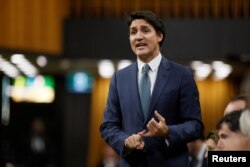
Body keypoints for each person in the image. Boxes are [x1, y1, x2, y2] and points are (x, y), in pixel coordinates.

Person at [100, 10, 204, 167]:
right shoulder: (119, 78)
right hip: (132, 162)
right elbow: (108, 126)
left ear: (160, 36)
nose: (138, 36)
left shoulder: (182, 75)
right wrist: (125, 141)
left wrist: (167, 131)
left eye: (145, 30)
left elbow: (195, 125)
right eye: (133, 32)